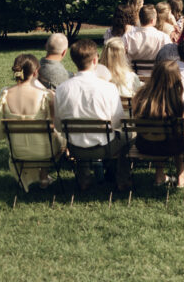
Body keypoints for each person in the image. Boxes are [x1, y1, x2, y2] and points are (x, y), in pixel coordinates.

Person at [54, 39, 129, 192]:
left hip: (75, 148)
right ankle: (122, 179)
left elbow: (58, 124)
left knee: (79, 136)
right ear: (95, 60)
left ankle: (84, 179)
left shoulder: (62, 89)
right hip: (104, 148)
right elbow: (118, 122)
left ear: (74, 61)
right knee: (130, 134)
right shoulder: (108, 88)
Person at [0, 53, 64, 191]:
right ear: (36, 71)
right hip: (45, 151)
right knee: (61, 140)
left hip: (17, 151)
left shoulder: (5, 94)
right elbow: (55, 125)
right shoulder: (46, 95)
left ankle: (35, 175)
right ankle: (43, 175)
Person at [130, 60, 184, 187]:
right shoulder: (177, 98)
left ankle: (159, 174)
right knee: (177, 136)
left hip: (145, 144)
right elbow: (183, 125)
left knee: (160, 136)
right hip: (172, 146)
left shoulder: (142, 95)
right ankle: (180, 175)